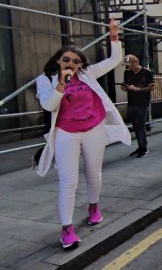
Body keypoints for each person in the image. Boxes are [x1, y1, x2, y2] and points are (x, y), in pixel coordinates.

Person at [35, 19, 131, 249]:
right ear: (58, 60)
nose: (71, 63)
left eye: (76, 61)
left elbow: (115, 60)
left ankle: (93, 206)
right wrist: (61, 84)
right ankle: (67, 229)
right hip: (66, 133)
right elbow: (48, 106)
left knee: (94, 174)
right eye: (66, 59)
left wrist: (114, 38)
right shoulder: (45, 80)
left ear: (81, 64)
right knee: (69, 181)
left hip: (93, 129)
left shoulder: (88, 74)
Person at [122, 54, 155, 158]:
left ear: (136, 62)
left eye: (130, 65)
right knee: (135, 125)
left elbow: (152, 87)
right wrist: (126, 87)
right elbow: (124, 85)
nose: (129, 68)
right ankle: (140, 147)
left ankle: (144, 148)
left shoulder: (147, 72)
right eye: (127, 66)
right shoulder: (127, 72)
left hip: (142, 102)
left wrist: (138, 89)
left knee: (140, 125)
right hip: (131, 102)